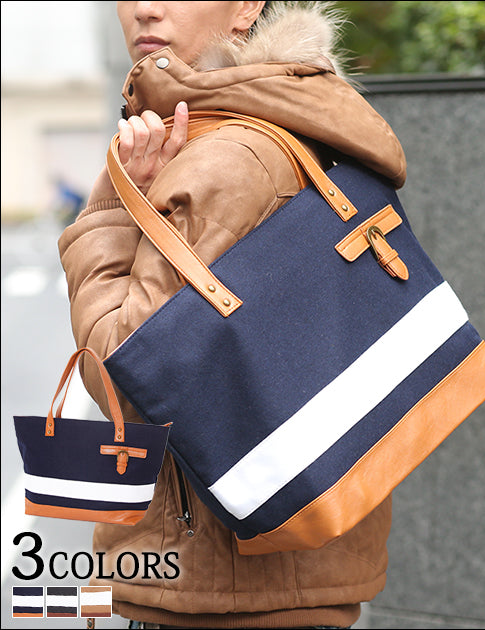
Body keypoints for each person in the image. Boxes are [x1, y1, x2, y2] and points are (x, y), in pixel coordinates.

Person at [59, 2, 407, 628]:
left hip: (214, 588)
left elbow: (122, 376)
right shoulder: (295, 122)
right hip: (293, 575)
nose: (145, 9)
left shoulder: (225, 157)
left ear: (247, 6)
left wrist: (111, 212)